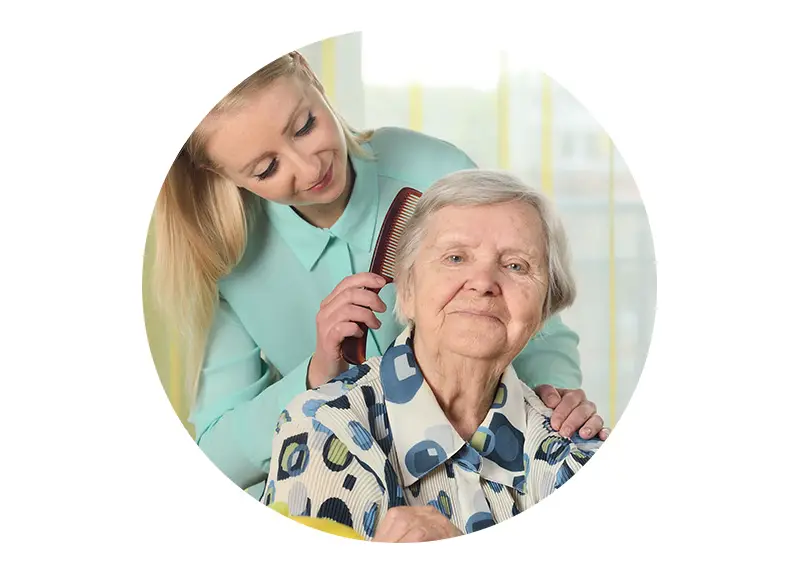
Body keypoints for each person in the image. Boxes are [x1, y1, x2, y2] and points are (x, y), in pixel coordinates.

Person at [151, 50, 606, 495]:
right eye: (267, 168)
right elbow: (215, 456)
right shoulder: (230, 261)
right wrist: (315, 375)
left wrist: (556, 402)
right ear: (222, 173)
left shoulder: (433, 172)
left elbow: (531, 316)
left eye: (305, 126)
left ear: (311, 76)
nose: (310, 168)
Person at [264, 170, 601, 540]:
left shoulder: (577, 449)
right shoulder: (323, 429)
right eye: (456, 257)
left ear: (543, 310)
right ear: (406, 290)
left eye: (516, 265)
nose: (484, 282)